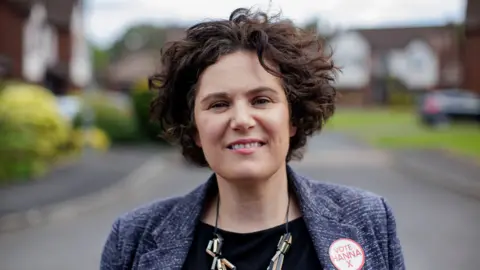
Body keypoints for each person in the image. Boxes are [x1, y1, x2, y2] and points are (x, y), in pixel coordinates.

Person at [100, 7, 405, 270]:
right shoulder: (133, 237)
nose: (242, 120)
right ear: (194, 129)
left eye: (261, 100)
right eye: (219, 104)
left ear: (293, 119)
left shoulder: (368, 220)